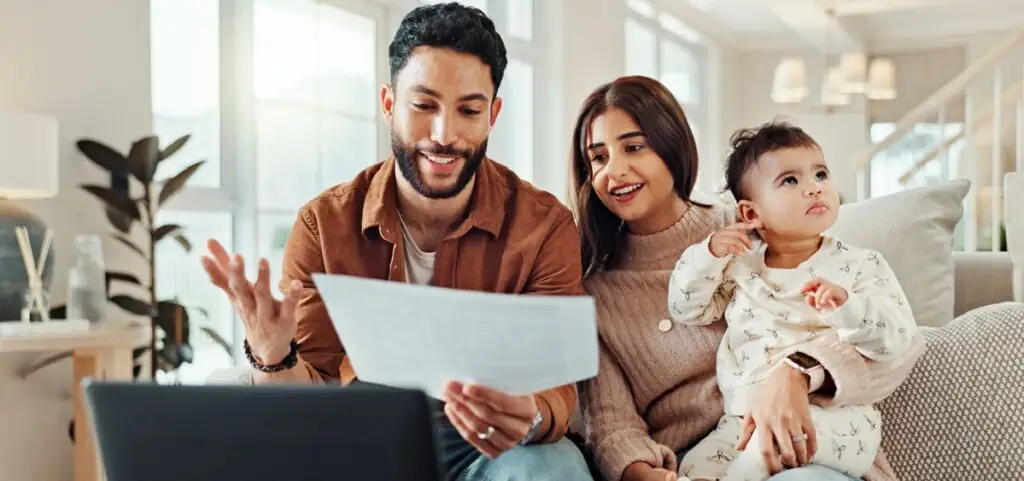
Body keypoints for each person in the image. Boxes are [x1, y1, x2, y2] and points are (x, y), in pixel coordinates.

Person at [200, 3, 592, 481]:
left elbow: (556, 391)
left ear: (493, 115)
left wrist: (527, 414)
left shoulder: (545, 225)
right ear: (388, 104)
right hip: (365, 444)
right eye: (423, 106)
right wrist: (271, 353)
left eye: (468, 110)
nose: (443, 135)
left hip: (489, 449)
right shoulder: (323, 226)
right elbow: (308, 401)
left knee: (551, 468)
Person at [569, 76, 926, 481]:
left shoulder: (758, 230)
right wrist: (650, 476)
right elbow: (612, 423)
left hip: (812, 443)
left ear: (672, 145)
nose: (614, 170)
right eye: (597, 157)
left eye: (634, 147)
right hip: (696, 462)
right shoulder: (597, 291)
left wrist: (800, 372)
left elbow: (896, 345)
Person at [667, 121, 919, 481]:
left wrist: (847, 307)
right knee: (692, 467)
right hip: (741, 420)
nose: (814, 189)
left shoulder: (861, 265)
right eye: (790, 180)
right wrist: (707, 255)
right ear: (751, 214)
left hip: (831, 417)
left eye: (820, 174)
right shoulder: (739, 268)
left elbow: (896, 336)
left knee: (755, 458)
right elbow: (685, 309)